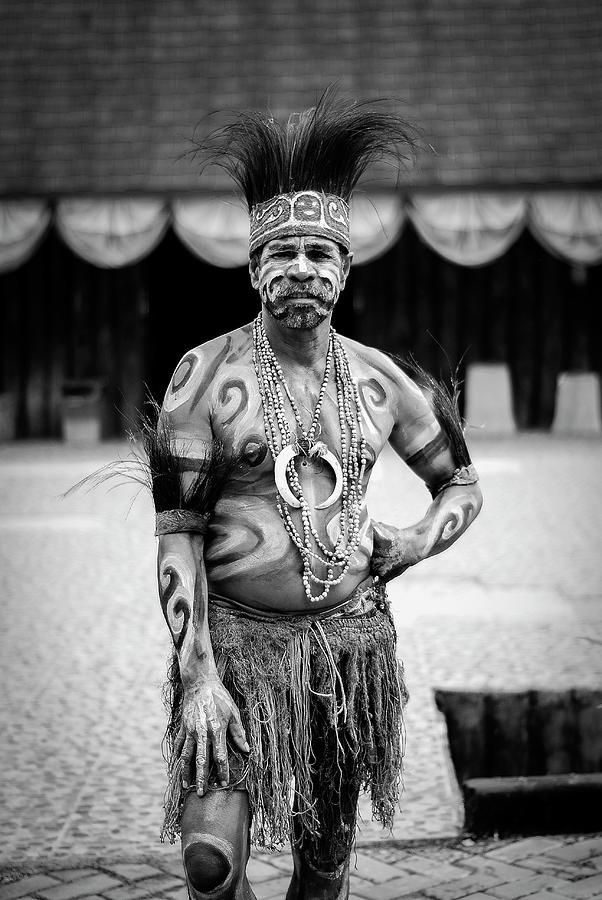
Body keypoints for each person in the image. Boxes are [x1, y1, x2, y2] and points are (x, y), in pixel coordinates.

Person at [154, 91, 482, 900]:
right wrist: (197, 674)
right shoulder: (203, 378)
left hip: (346, 653)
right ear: (255, 264)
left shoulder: (379, 381)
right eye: (284, 251)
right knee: (211, 866)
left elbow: (462, 483)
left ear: (344, 266)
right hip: (232, 649)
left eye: (319, 252)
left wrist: (411, 541)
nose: (301, 267)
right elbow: (177, 533)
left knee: (327, 871)